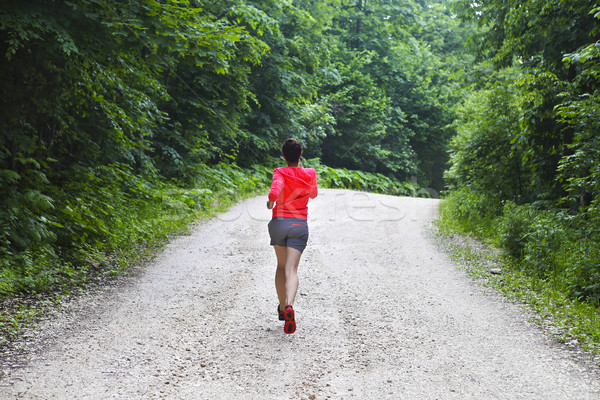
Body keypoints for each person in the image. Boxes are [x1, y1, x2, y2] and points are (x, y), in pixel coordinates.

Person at [267, 138, 318, 334]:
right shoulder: (309, 173)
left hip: (279, 224)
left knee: (280, 266)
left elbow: (275, 189)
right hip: (299, 226)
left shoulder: (280, 171)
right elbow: (313, 194)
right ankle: (289, 305)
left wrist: (271, 201)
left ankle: (281, 309)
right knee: (292, 269)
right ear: (300, 155)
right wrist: (303, 173)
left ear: (283, 156)